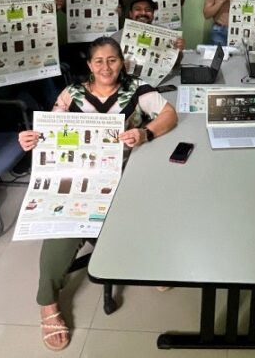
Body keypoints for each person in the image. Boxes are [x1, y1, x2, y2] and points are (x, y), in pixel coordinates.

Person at [17, 37, 178, 351]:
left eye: (112, 60)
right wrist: (33, 140)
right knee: (62, 225)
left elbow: (169, 113)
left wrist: (145, 133)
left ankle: (140, 254)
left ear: (123, 62)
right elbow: (52, 130)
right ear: (90, 65)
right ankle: (47, 301)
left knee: (144, 211)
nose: (106, 67)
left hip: (127, 175)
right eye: (99, 61)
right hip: (82, 178)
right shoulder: (72, 94)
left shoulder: (138, 90)